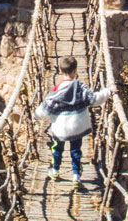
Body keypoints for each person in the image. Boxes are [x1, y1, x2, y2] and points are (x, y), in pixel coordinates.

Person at [36, 56, 112, 186]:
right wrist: (108, 92)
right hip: (77, 126)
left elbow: (44, 110)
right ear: (75, 71)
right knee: (76, 151)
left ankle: (55, 170)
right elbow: (94, 99)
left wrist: (36, 115)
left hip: (60, 128)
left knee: (57, 149)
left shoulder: (56, 91)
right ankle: (76, 176)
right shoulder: (80, 87)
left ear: (60, 71)